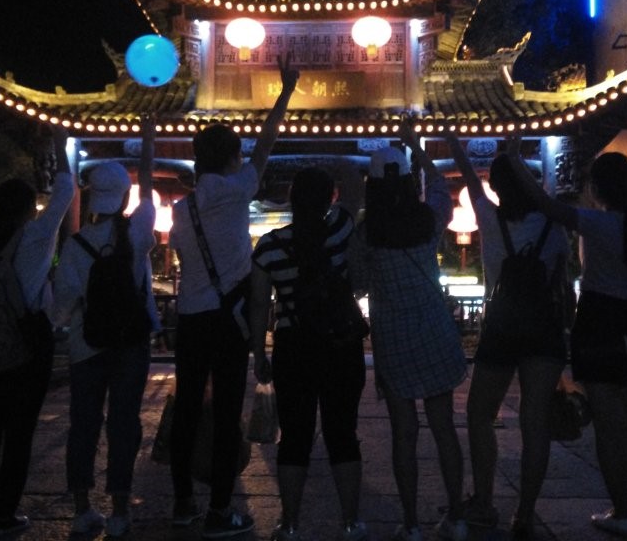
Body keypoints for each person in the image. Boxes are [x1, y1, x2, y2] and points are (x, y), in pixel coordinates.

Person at [168, 54, 298, 538]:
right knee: (226, 413)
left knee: (186, 409)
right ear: (230, 158)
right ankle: (220, 511)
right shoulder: (236, 190)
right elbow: (266, 144)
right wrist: (285, 92)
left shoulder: (180, 209)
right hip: (227, 321)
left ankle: (183, 502)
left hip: (190, 318)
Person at [512, 149, 627, 536]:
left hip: (598, 324)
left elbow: (544, 204)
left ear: (596, 189)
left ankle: (620, 512)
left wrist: (514, 160)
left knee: (608, 429)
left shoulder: (594, 223)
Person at [446, 134, 570, 540]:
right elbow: (562, 281)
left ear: (496, 187)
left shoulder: (489, 217)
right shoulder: (554, 223)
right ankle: (525, 514)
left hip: (501, 325)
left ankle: (484, 500)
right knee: (535, 422)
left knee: (480, 414)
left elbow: (468, 175)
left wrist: (453, 142)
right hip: (545, 329)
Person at [349, 122, 469, 541]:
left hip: (394, 339)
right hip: (435, 332)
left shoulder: (366, 235)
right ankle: (457, 518)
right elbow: (439, 187)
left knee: (404, 433)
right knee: (444, 428)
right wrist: (416, 146)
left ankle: (412, 524)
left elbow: (357, 284)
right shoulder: (428, 221)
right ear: (404, 181)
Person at [0, 125, 75, 537]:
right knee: (19, 431)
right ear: (29, 209)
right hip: (27, 341)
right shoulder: (34, 238)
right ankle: (5, 512)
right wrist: (62, 144)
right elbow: (65, 191)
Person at [53, 116, 158, 539]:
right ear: (126, 196)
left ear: (92, 196)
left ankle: (82, 509)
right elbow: (147, 189)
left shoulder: (75, 245)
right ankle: (119, 510)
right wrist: (148, 142)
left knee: (84, 423)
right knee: (124, 422)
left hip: (87, 344)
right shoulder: (138, 232)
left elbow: (62, 307)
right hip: (131, 343)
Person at [249, 165, 367, 541]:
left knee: (295, 437)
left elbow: (258, 305)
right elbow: (355, 190)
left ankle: (289, 524)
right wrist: (346, 165)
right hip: (340, 344)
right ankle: (350, 522)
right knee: (343, 433)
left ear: (291, 198)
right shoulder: (341, 229)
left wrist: (259, 353)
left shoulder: (269, 246)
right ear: (330, 198)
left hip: (293, 346)